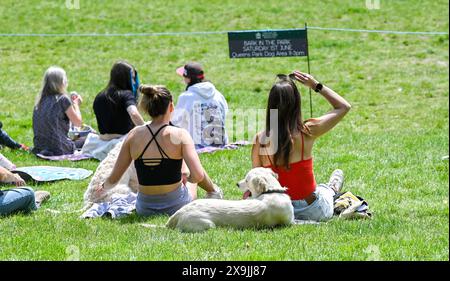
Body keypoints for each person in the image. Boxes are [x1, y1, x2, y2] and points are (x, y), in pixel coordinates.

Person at [96, 84, 223, 216]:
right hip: (177, 206)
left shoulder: (133, 135)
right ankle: (214, 192)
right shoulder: (180, 134)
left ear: (147, 109)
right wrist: (186, 178)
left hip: (144, 209)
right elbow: (198, 176)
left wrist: (104, 187)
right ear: (171, 107)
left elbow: (115, 177)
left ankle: (213, 191)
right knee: (193, 168)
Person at [250, 70, 351, 221]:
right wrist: (316, 85)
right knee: (323, 191)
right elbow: (344, 107)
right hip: (313, 211)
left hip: (275, 210)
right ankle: (332, 188)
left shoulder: (260, 139)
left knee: (321, 190)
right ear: (296, 104)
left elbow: (255, 182)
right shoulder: (307, 131)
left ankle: (330, 189)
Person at [172, 62, 229, 149]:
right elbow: (225, 114)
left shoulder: (186, 97)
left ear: (188, 79)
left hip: (197, 147)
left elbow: (175, 122)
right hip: (220, 144)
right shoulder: (218, 94)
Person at [32, 66, 85, 156]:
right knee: (90, 137)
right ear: (62, 82)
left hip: (40, 147)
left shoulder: (40, 100)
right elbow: (78, 123)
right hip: (60, 148)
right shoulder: (62, 99)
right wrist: (76, 104)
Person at [93, 61, 145, 140]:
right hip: (122, 142)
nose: (134, 82)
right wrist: (146, 131)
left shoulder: (99, 96)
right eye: (132, 78)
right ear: (126, 79)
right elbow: (134, 113)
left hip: (102, 142)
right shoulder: (126, 94)